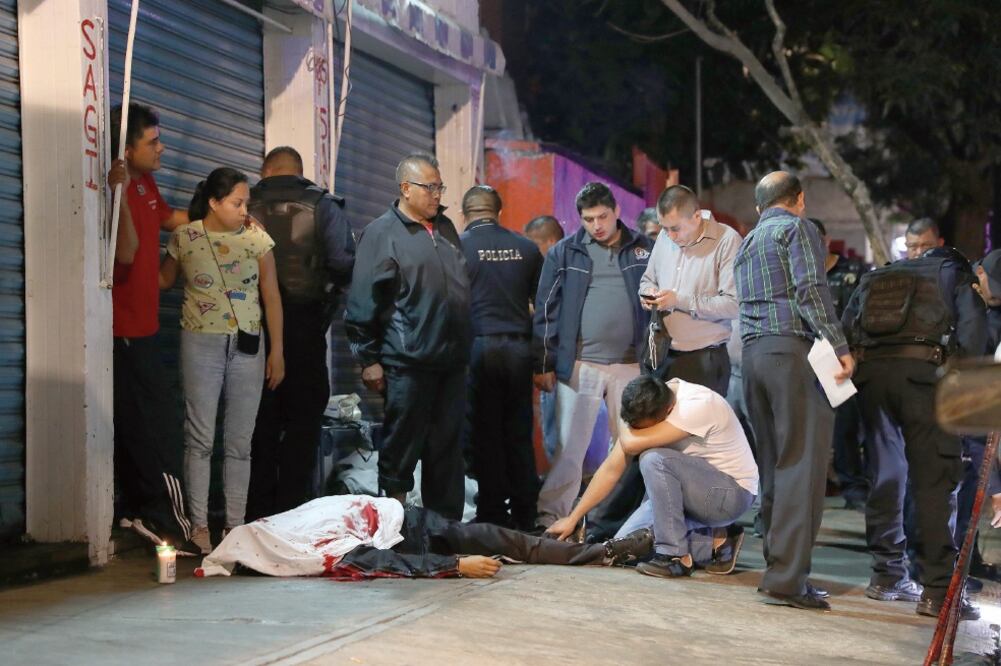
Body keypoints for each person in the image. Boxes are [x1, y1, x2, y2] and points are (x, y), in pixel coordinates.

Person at [842, 244, 986, 620]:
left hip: (873, 378)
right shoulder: (955, 274)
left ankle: (887, 576)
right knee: (935, 482)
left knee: (885, 474)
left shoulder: (880, 276)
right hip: (926, 379)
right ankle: (938, 591)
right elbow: (973, 338)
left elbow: (847, 326)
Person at [734, 171, 854, 612]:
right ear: (799, 199)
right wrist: (839, 346)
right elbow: (811, 289)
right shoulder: (798, 228)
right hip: (792, 354)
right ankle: (787, 581)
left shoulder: (747, 242)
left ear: (759, 205)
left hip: (753, 358)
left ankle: (777, 569)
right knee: (801, 467)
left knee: (774, 466)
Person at [160, 167, 285, 554]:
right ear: (214, 203)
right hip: (200, 342)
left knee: (239, 442)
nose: (244, 209)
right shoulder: (186, 238)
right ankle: (199, 527)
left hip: (249, 345)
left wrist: (277, 351)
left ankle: (234, 526)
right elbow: (163, 281)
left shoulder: (257, 239)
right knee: (199, 438)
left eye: (245, 202)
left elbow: (272, 296)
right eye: (236, 202)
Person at [344, 153, 471, 520]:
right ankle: (393, 524)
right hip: (407, 360)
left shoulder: (445, 228)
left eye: (439, 186)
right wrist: (368, 359)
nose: (437, 194)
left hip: (452, 360)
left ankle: (445, 528)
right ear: (405, 188)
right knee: (401, 445)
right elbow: (362, 300)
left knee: (447, 448)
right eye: (429, 187)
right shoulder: (381, 233)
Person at [547, 375, 756, 578]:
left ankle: (674, 556)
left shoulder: (697, 405)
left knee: (653, 458)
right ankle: (715, 541)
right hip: (689, 492)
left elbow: (630, 443)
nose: (635, 432)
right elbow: (611, 469)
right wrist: (572, 518)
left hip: (730, 494)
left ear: (668, 411)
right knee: (626, 546)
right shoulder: (650, 401)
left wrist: (623, 425)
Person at [532, 182, 653, 528]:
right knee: (569, 448)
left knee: (628, 445)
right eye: (588, 219)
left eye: (602, 216)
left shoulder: (645, 249)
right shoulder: (565, 252)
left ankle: (621, 520)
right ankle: (552, 517)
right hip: (581, 364)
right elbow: (546, 309)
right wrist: (544, 362)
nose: (597, 225)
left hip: (632, 365)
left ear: (616, 212)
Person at [245, 147, 355, 522]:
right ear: (299, 170)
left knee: (257, 423)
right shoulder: (324, 205)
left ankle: (255, 512)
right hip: (306, 328)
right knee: (303, 424)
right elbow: (343, 263)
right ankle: (292, 512)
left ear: (267, 169)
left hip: (250, 327)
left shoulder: (245, 201)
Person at [109, 103, 196, 554]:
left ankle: (138, 512)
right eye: (152, 142)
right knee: (154, 428)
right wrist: (118, 193)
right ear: (127, 150)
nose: (162, 148)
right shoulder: (120, 185)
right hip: (123, 329)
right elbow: (125, 252)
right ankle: (165, 522)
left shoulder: (146, 182)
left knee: (142, 424)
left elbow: (171, 219)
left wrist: (223, 213)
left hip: (144, 327)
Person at [195, 494, 654, 579]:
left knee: (496, 536)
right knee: (492, 539)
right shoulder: (295, 548)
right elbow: (379, 564)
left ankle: (599, 551)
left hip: (404, 518)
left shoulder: (286, 523)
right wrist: (456, 566)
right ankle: (605, 552)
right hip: (402, 539)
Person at [460, 186, 543, 529]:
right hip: (519, 349)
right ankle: (525, 513)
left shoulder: (457, 247)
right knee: (518, 431)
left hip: (478, 347)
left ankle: (492, 510)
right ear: (498, 210)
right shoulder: (527, 248)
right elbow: (543, 307)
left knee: (485, 431)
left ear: (465, 214)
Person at [639, 185, 739, 394]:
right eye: (664, 228)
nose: (670, 236)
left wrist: (678, 301)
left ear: (696, 216)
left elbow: (733, 304)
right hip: (661, 353)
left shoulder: (726, 240)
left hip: (703, 360)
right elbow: (648, 279)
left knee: (698, 427)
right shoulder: (664, 238)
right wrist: (648, 294)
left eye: (675, 229)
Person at [809, 218, 870, 510]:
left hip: (842, 360)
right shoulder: (797, 274)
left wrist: (855, 354)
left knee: (845, 427)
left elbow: (862, 316)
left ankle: (853, 487)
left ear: (826, 240)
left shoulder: (853, 273)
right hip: (805, 360)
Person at [523, 215, 565, 462]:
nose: (530, 251)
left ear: (550, 241)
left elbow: (552, 316)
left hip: (557, 365)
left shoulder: (559, 269)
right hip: (556, 363)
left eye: (533, 244)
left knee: (556, 436)